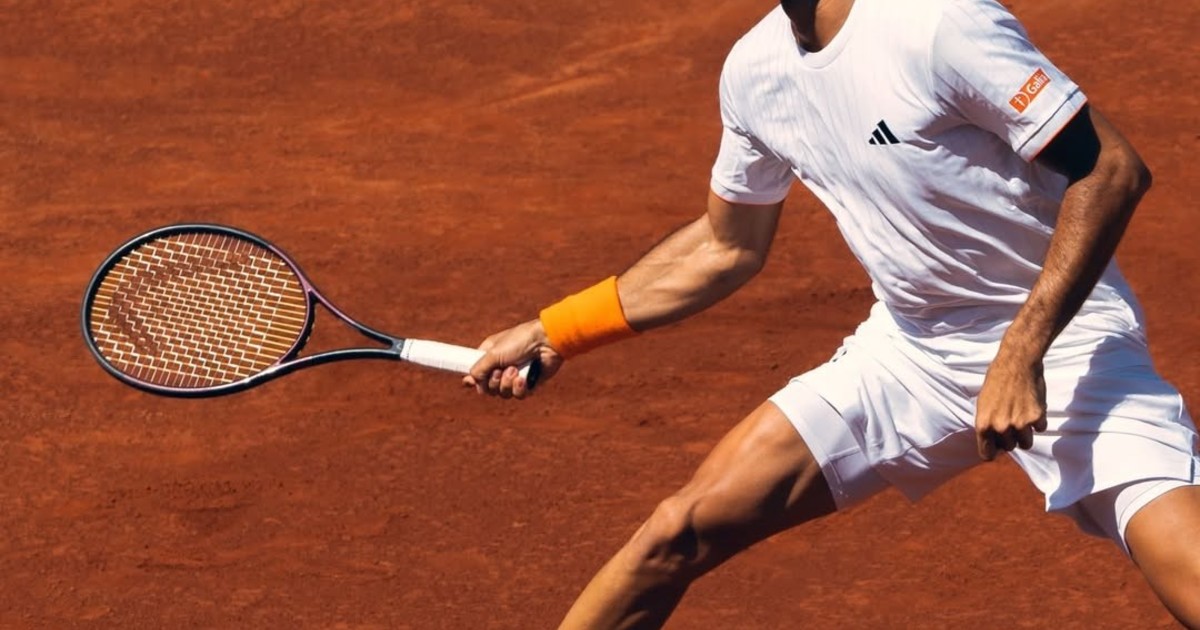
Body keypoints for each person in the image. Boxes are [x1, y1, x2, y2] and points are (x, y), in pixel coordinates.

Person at [464, 0, 1200, 626]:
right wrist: (557, 331)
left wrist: (1020, 350)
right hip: (908, 354)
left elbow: (1111, 168)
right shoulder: (756, 70)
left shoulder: (936, 24)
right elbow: (725, 246)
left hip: (1064, 341)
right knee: (675, 534)